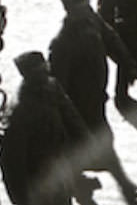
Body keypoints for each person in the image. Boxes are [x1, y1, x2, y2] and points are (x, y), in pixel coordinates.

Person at [47, 0, 137, 197]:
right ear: (71, 11)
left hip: (96, 96)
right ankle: (116, 185)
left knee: (94, 140)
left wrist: (127, 63)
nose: (88, 8)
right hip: (78, 103)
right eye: (82, 6)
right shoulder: (63, 42)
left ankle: (119, 184)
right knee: (88, 141)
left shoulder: (91, 20)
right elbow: (59, 81)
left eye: (87, 3)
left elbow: (110, 39)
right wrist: (64, 110)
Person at [0, 50, 87, 205]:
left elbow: (71, 116)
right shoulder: (19, 111)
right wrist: (21, 200)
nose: (46, 70)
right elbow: (12, 164)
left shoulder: (51, 87)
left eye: (45, 66)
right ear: (29, 75)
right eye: (41, 69)